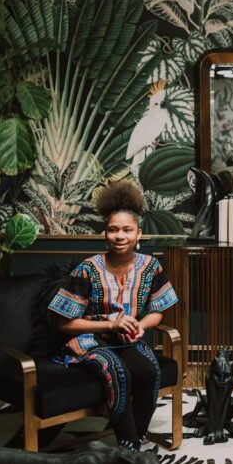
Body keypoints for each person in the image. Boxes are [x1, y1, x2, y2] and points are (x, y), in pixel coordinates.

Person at [47, 180, 178, 450]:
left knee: (150, 370)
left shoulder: (151, 266)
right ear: (105, 234)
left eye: (127, 230)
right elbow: (64, 324)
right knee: (116, 371)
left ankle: (135, 441)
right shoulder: (87, 269)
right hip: (87, 342)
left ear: (138, 234)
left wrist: (141, 326)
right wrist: (112, 323)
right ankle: (127, 450)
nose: (120, 236)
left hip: (126, 340)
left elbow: (158, 311)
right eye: (113, 230)